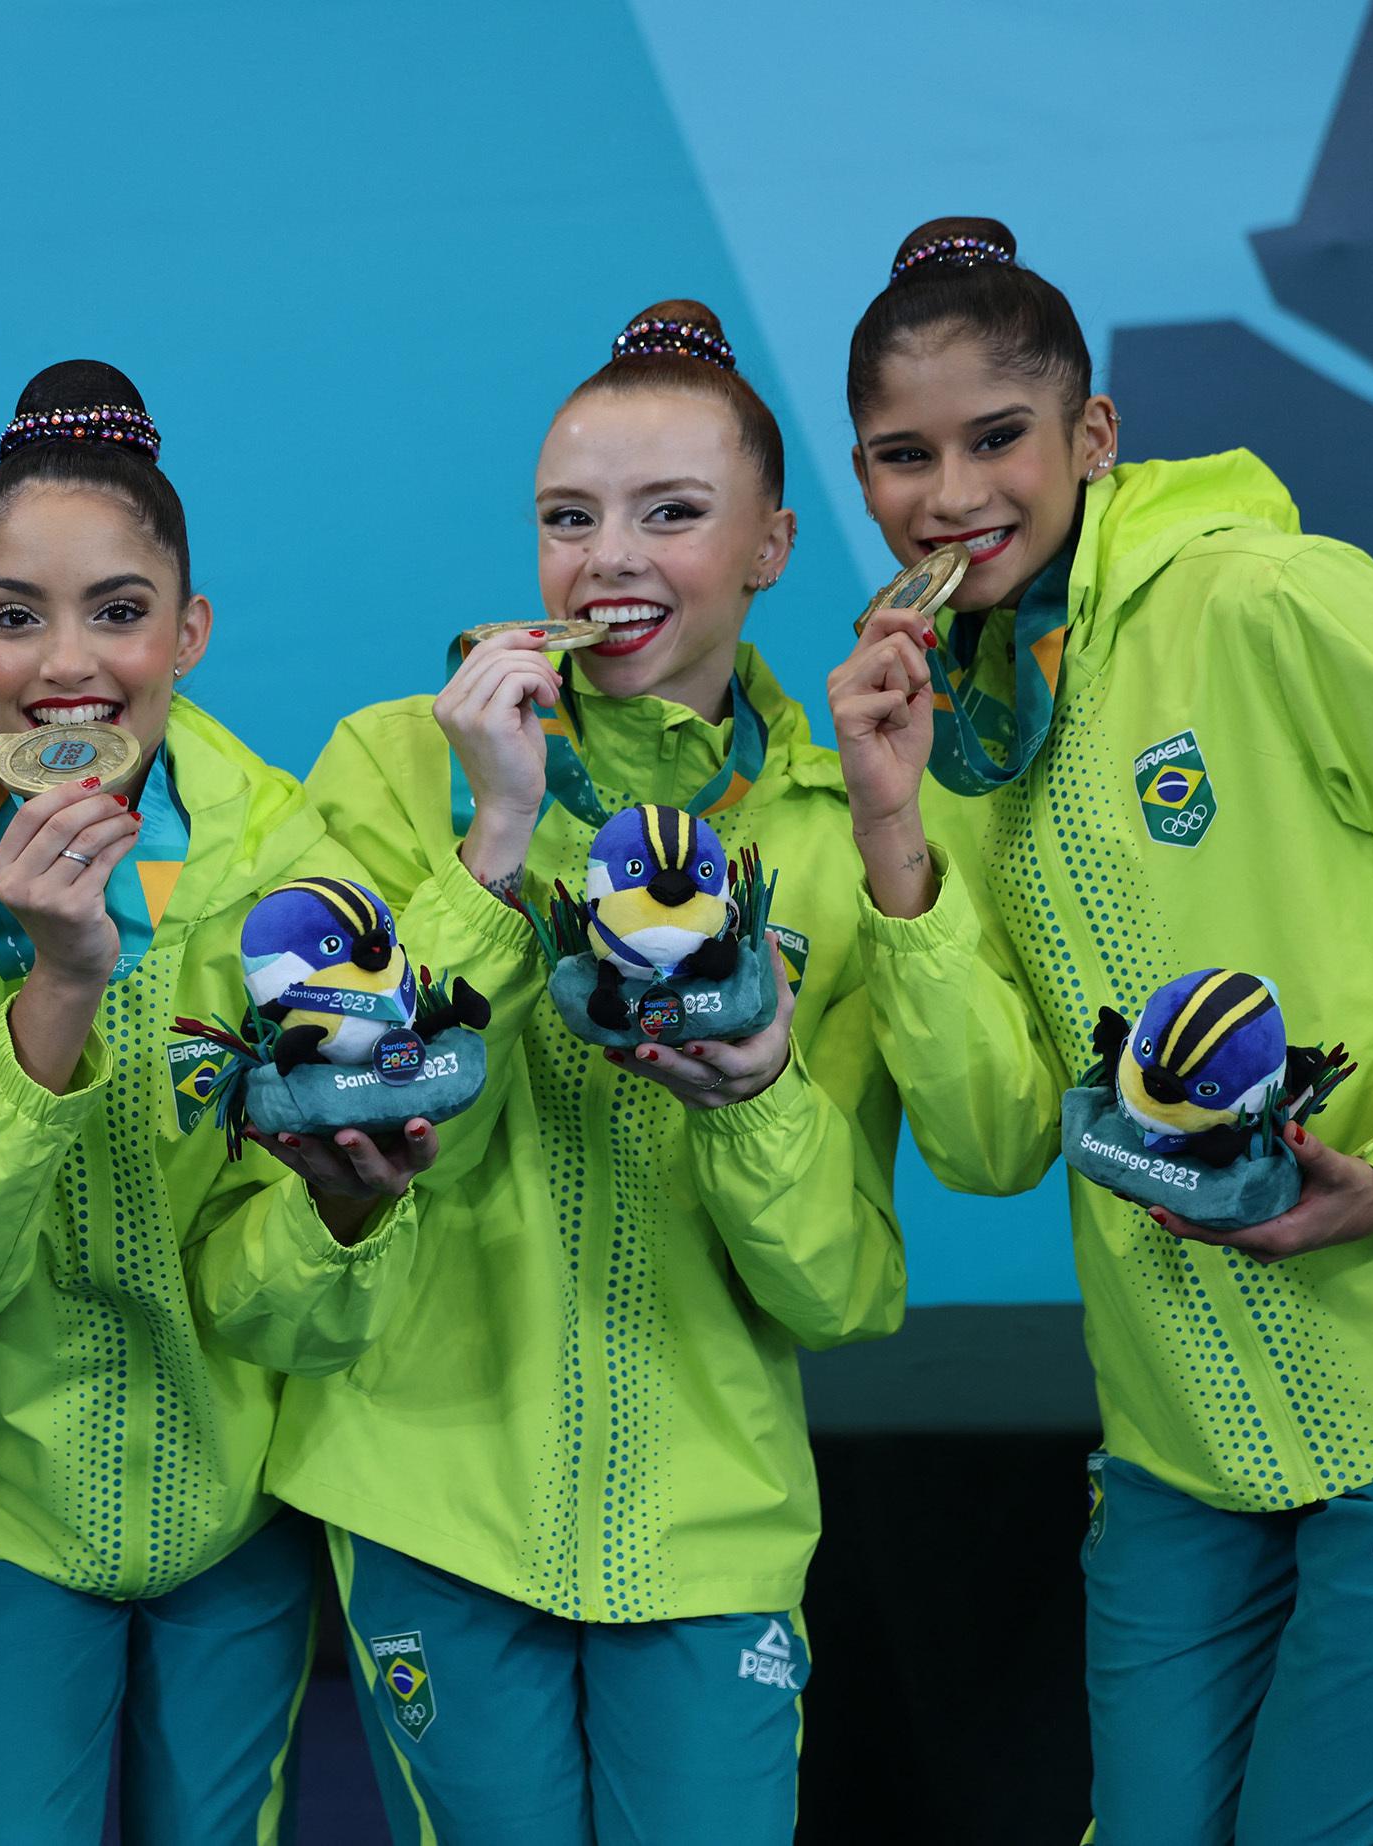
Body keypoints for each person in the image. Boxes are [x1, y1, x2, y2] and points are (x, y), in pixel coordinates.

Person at [830, 215, 1373, 1844]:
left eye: (998, 438)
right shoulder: (957, 734)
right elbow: (993, 1143)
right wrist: (897, 839)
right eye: (902, 457)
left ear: (1093, 435)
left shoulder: (1268, 600)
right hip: (1176, 1453)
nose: (952, 495)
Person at [273, 301, 906, 1843]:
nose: (607, 559)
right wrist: (494, 841)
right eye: (570, 518)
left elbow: (843, 1292)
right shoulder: (387, 763)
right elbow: (343, 1101)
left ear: (770, 543)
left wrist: (756, 1101)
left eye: (670, 514)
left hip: (712, 1533)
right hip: (430, 1500)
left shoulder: (833, 829)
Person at [0, 359, 437, 1844]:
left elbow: (296, 1300)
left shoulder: (296, 845)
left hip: (241, 1495)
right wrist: (60, 987)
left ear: (189, 631)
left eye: (119, 610)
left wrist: (351, 1204)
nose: (66, 663)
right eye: (16, 616)